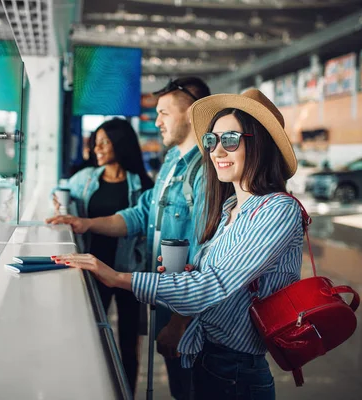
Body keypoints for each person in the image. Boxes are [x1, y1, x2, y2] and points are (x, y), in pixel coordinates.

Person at [52, 89, 304, 400]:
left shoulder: (278, 209)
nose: (216, 152)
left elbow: (215, 284)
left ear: (260, 143)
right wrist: (186, 271)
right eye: (212, 141)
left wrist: (119, 278)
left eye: (230, 140)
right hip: (205, 356)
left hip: (237, 373)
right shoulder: (229, 210)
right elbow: (210, 273)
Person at [47, 77, 211, 400]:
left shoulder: (204, 173)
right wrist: (85, 223)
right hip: (166, 301)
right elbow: (139, 215)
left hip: (188, 314)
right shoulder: (169, 168)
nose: (157, 121)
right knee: (180, 390)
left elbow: (205, 255)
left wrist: (179, 323)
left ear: (192, 112)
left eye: (164, 112)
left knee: (192, 391)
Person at [53, 117, 153, 394]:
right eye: (95, 142)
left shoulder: (141, 186)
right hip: (91, 267)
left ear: (119, 145)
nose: (96, 148)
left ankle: (127, 393)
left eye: (103, 142)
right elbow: (58, 192)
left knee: (129, 342)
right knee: (92, 333)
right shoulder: (85, 179)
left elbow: (144, 223)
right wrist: (58, 204)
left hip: (128, 270)